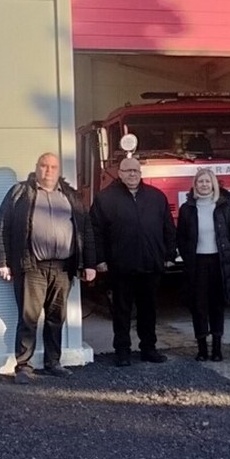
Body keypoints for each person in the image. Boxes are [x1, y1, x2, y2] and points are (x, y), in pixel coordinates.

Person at [0, 151, 96, 383]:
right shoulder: (20, 193)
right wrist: (3, 262)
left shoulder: (71, 196)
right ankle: (23, 366)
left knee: (56, 318)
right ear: (36, 167)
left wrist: (89, 263)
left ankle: (53, 363)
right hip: (32, 267)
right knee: (28, 318)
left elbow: (86, 230)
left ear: (59, 170)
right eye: (44, 165)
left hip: (63, 268)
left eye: (53, 167)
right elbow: (2, 226)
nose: (48, 170)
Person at [91, 154, 177, 367]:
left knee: (149, 310)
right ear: (119, 173)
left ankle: (149, 349)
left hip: (150, 264)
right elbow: (95, 231)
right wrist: (99, 259)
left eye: (135, 171)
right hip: (120, 265)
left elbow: (168, 227)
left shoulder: (157, 197)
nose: (132, 174)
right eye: (127, 171)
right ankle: (122, 351)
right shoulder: (105, 199)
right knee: (122, 312)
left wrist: (169, 255)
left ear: (140, 173)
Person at [176, 166, 230, 361]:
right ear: (195, 185)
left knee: (217, 305)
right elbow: (181, 236)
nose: (204, 185)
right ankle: (202, 349)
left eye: (207, 181)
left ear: (214, 184)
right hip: (197, 263)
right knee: (199, 306)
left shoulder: (224, 207)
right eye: (200, 181)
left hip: (218, 262)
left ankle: (217, 349)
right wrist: (187, 256)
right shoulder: (187, 209)